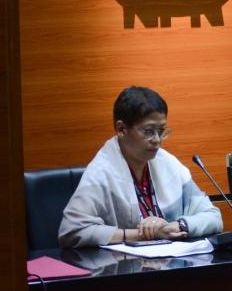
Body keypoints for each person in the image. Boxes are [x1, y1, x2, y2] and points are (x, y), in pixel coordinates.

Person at [59, 86, 222, 247]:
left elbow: (214, 217)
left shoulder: (168, 163)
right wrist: (141, 235)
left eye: (161, 131)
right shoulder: (101, 172)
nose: (157, 140)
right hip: (123, 268)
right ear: (121, 129)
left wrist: (177, 226)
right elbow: (72, 231)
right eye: (148, 131)